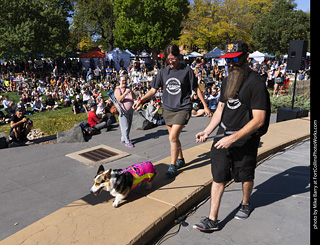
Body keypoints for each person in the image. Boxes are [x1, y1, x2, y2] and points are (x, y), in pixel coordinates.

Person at [193, 40, 269, 231]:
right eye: (228, 61)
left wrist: (233, 138)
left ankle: (245, 203)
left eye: (234, 59)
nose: (230, 64)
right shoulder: (227, 80)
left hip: (245, 138)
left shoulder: (256, 83)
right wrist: (207, 131)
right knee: (218, 176)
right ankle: (212, 219)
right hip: (223, 135)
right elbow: (220, 109)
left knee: (245, 175)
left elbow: (259, 120)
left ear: (246, 57)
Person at [133, 44, 211, 178]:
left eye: (173, 58)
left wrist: (205, 106)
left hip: (183, 107)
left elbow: (196, 88)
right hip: (168, 109)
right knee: (174, 138)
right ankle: (180, 159)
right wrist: (141, 100)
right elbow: (153, 90)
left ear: (178, 56)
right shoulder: (163, 72)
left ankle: (172, 165)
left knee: (172, 137)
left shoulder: (187, 71)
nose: (170, 61)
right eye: (168, 59)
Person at [114, 75, 136, 148]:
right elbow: (119, 99)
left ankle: (123, 138)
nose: (124, 82)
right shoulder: (118, 89)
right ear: (119, 81)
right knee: (125, 126)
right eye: (123, 80)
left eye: (125, 80)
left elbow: (134, 98)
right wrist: (126, 93)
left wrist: (131, 91)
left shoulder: (128, 88)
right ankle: (127, 141)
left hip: (130, 110)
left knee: (128, 126)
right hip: (123, 110)